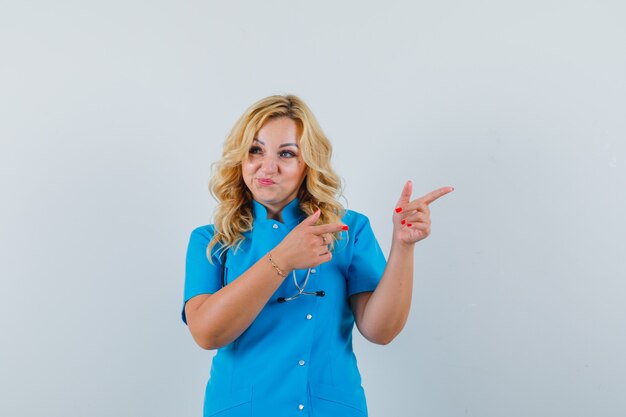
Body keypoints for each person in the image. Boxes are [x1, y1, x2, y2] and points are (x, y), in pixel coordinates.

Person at [181, 94, 453, 417]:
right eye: (255, 150)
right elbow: (206, 332)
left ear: (307, 163)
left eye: (286, 153)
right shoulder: (212, 241)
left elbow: (381, 330)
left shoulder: (347, 229)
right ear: (240, 158)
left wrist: (404, 246)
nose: (268, 166)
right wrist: (282, 260)